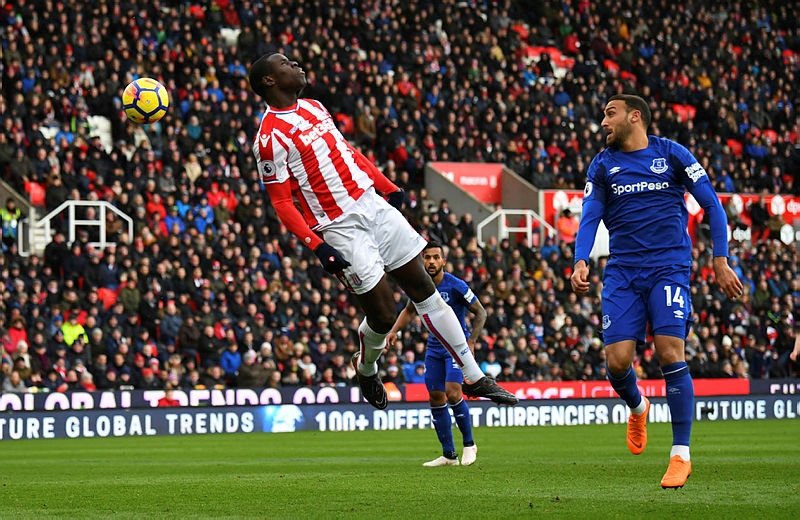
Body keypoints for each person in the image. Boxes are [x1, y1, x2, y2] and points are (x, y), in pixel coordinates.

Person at [248, 53, 517, 409]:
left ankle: (474, 376)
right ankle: (367, 366)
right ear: (269, 81)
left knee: (425, 290)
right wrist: (317, 246)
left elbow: (348, 152)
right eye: (285, 64)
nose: (296, 64)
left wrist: (386, 186)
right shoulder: (268, 138)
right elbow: (282, 203)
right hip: (339, 226)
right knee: (383, 315)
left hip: (373, 205)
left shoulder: (313, 106)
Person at [570, 94, 743, 489]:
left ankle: (680, 454)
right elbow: (590, 217)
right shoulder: (602, 165)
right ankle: (638, 405)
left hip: (669, 268)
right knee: (617, 362)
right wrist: (581, 260)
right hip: (623, 273)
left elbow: (713, 207)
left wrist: (720, 259)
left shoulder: (674, 154)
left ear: (636, 117)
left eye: (609, 114)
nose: (602, 122)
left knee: (669, 352)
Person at [388, 242, 484, 467]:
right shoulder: (420, 286)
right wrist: (393, 331)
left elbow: (480, 312)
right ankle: (449, 455)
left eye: (435, 257)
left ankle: (469, 445)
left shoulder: (456, 285)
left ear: (443, 261)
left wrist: (471, 341)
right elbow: (409, 310)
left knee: (453, 393)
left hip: (455, 347)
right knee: (436, 397)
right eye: (427, 257)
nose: (431, 261)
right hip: (433, 348)